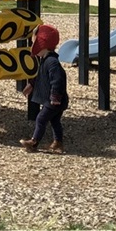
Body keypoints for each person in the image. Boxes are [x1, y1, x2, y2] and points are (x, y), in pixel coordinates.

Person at [20, 23, 69, 154]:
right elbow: (41, 76)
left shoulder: (52, 62)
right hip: (55, 100)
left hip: (55, 100)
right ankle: (58, 143)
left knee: (41, 119)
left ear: (43, 45)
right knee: (55, 121)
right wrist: (31, 85)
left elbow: (57, 80)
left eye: (34, 44)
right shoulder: (46, 60)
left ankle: (34, 142)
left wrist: (55, 97)